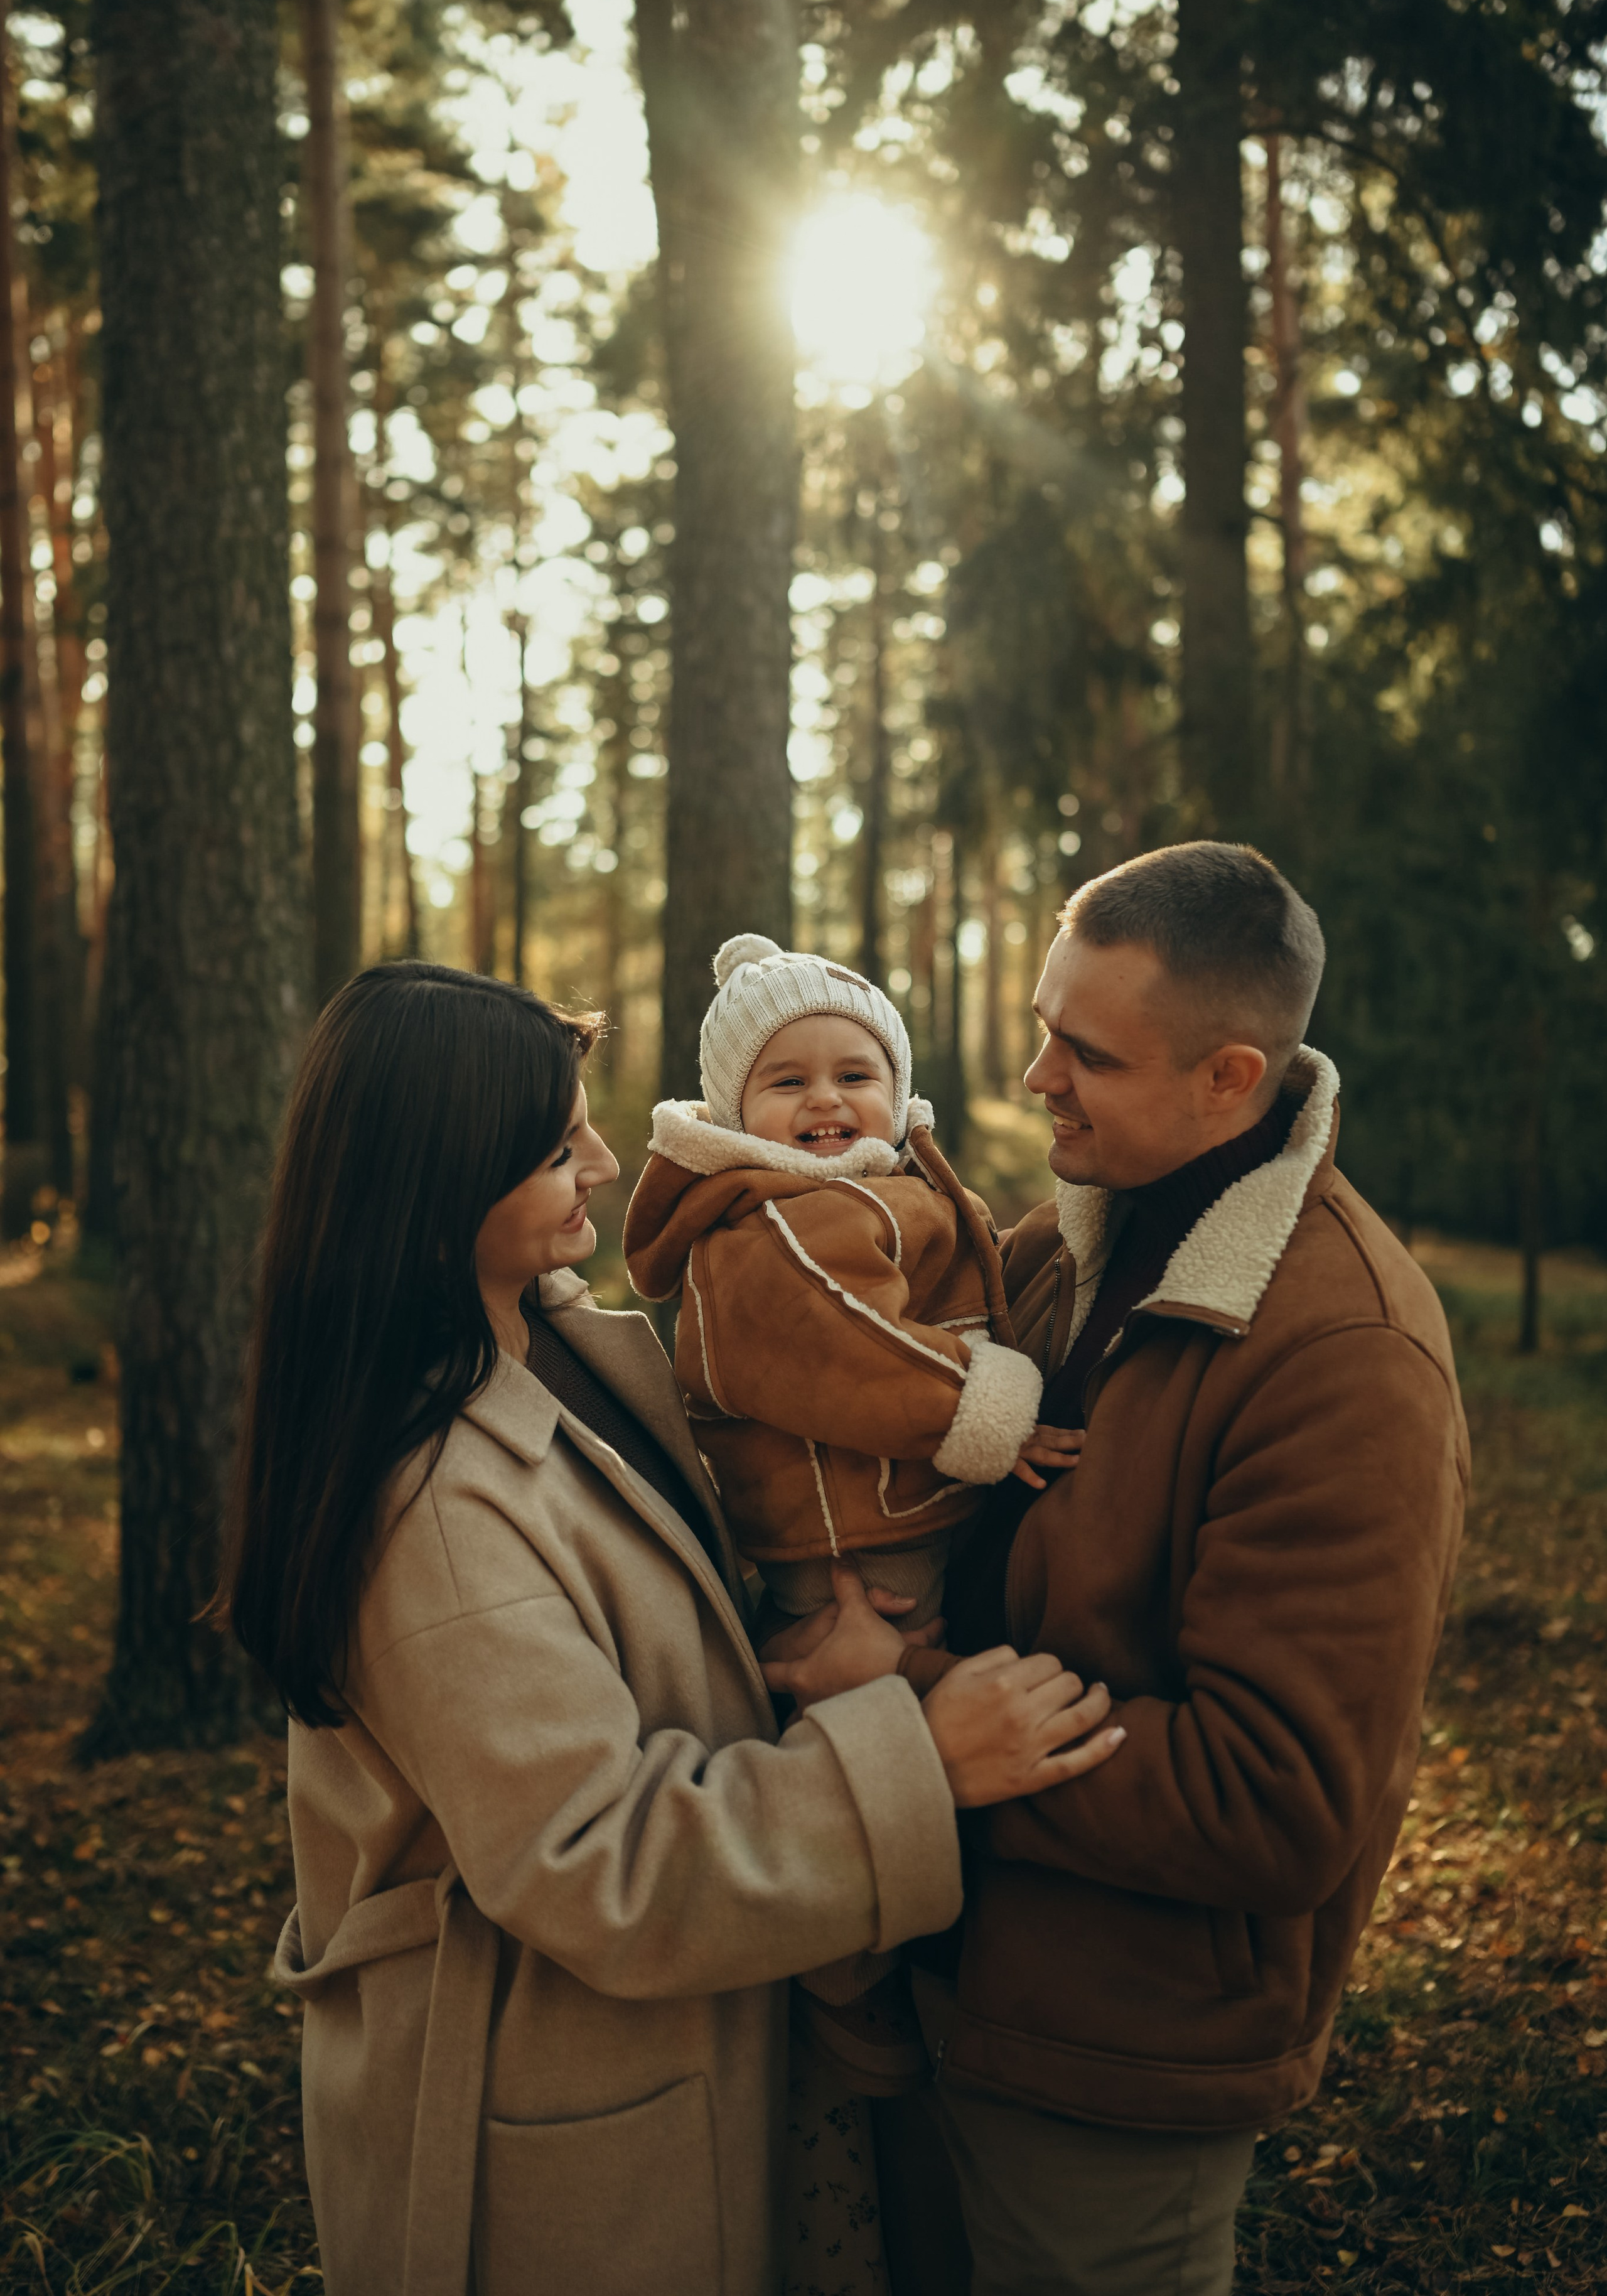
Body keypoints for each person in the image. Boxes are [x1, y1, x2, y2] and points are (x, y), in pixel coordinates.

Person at [220, 959, 1124, 2296]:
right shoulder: (430, 1508)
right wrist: (916, 1758)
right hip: (560, 2115)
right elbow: (596, 1857)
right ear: (434, 1182)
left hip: (705, 2030)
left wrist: (794, 1659)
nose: (601, 1157)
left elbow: (660, 1630)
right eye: (551, 1145)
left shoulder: (572, 1351)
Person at [768, 843, 1468, 2296]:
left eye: (1085, 1052)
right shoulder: (1048, 1252)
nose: (1035, 1078)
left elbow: (1273, 1799)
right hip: (937, 1978)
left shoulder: (1344, 1354)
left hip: (1115, 2060)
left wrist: (917, 1704)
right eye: (1040, 1025)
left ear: (1228, 1079)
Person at [625, 932, 1077, 2097]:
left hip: (889, 1508)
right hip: (849, 1540)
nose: (826, 1099)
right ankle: (843, 1976)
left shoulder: (865, 1189)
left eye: (854, 1073)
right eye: (789, 1081)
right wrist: (994, 1409)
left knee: (898, 1704)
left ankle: (877, 1944)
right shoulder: (772, 1225)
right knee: (866, 1720)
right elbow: (846, 1347)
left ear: (898, 1087)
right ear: (737, 1108)